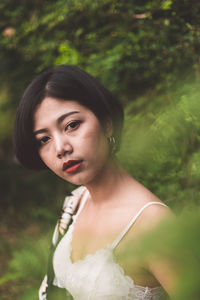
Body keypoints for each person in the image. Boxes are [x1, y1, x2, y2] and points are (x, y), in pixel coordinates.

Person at [13, 65, 174, 300]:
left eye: (72, 125)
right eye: (44, 139)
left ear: (106, 123)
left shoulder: (154, 224)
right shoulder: (76, 202)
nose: (60, 148)